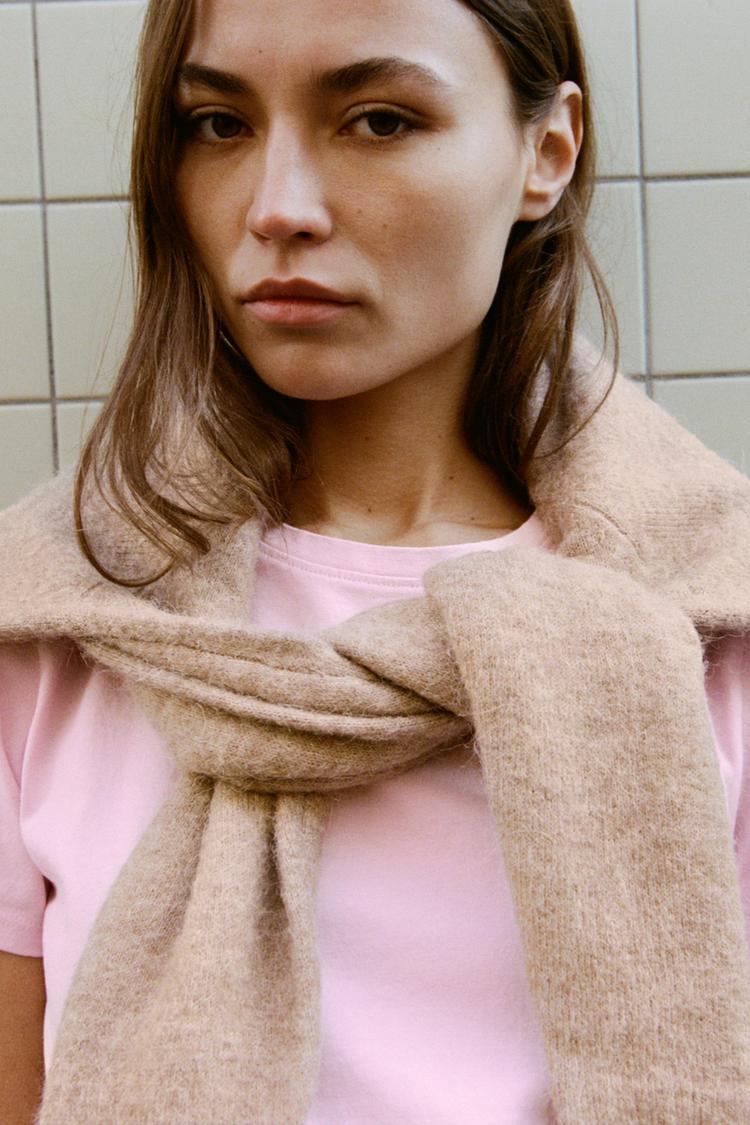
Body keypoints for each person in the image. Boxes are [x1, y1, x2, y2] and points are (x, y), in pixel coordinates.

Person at [1, 1, 750, 1123]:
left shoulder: (709, 627)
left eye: (381, 120)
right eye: (218, 125)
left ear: (547, 151)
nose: (277, 208)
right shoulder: (53, 622)